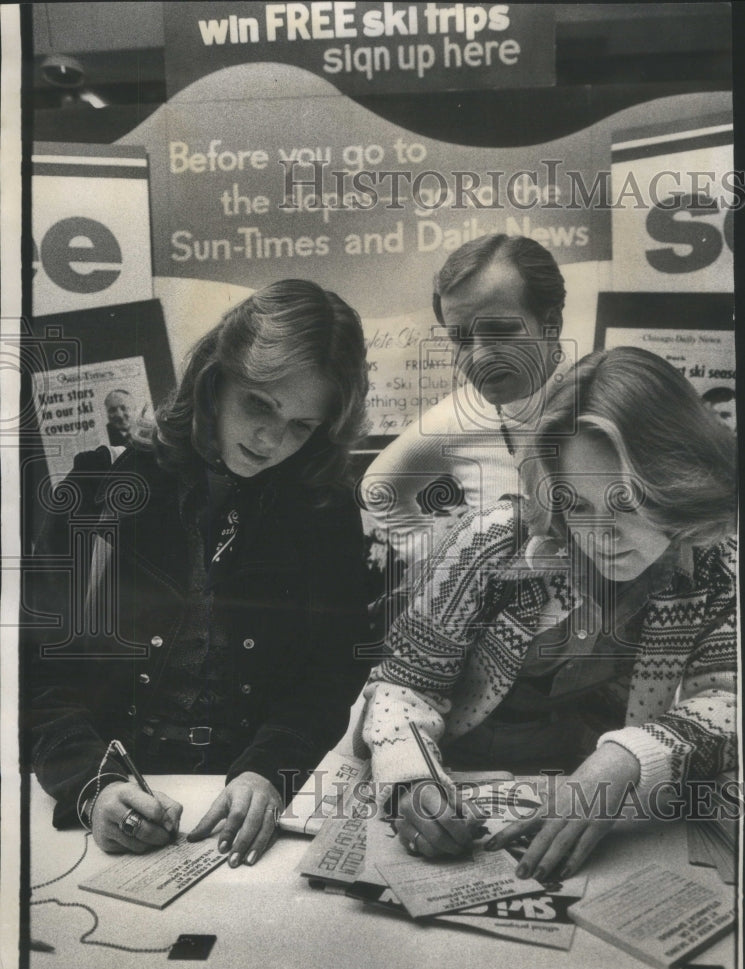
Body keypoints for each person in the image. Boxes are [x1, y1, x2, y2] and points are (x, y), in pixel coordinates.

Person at [355, 347, 737, 880]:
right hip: (461, 776)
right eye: (576, 504)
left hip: (601, 795)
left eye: (627, 501)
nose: (602, 536)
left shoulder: (714, 560)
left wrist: (625, 760)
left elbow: (727, 701)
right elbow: (402, 688)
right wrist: (409, 780)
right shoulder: (494, 541)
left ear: (680, 482)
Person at [29, 279, 370, 867]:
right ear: (214, 382)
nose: (270, 440)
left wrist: (269, 772)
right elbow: (35, 676)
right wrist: (93, 786)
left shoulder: (325, 508)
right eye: (259, 404)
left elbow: (329, 677)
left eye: (301, 425)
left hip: (248, 803)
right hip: (105, 799)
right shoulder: (98, 491)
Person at [360, 234, 571, 630]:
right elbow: (379, 488)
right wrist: (444, 567)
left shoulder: (610, 395)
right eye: (461, 338)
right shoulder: (456, 416)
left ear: (552, 323)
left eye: (500, 332)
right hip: (490, 640)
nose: (480, 357)